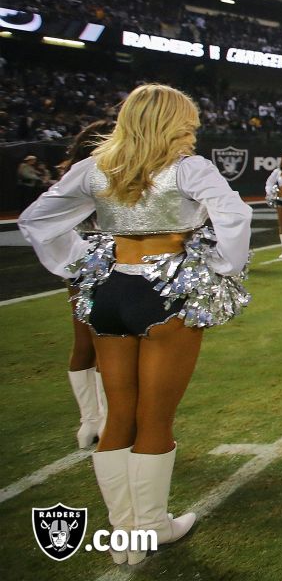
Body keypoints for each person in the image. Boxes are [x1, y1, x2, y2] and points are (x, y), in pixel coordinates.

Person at [18, 84, 252, 565]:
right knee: (155, 418)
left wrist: (78, 262)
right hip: (165, 294)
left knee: (118, 416)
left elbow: (36, 219)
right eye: (188, 123)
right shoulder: (190, 169)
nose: (193, 131)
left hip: (109, 293)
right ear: (170, 122)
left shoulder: (97, 167)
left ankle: (123, 532)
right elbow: (235, 214)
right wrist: (223, 265)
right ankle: (151, 527)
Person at [59, 120, 114, 449]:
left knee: (84, 342)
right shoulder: (110, 177)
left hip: (78, 264)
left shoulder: (72, 178)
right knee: (109, 342)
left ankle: (89, 422)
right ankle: (107, 419)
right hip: (109, 262)